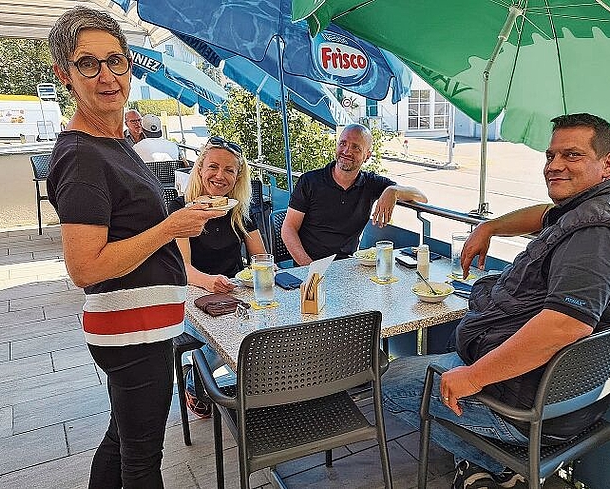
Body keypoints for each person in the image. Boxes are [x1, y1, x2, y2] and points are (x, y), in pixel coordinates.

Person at [382, 113, 610, 489]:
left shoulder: (596, 233)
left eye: (572, 156)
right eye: (550, 156)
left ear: (607, 163)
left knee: (391, 384)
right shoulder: (603, 207)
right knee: (441, 355)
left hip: (534, 403)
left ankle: (501, 466)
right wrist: (489, 227)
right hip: (567, 387)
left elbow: (565, 326)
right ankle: (486, 461)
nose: (555, 166)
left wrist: (474, 376)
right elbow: (545, 216)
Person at [47, 7, 223, 488]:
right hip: (131, 330)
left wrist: (178, 225)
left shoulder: (114, 141)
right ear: (65, 74)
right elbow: (85, 268)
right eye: (88, 63)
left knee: (122, 440)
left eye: (116, 61)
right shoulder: (83, 156)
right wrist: (170, 228)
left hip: (140, 325)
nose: (106, 75)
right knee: (143, 461)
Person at [168, 136, 267, 417]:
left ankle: (252, 388)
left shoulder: (239, 212)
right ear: (200, 169)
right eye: (213, 167)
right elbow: (183, 269)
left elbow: (261, 258)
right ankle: (193, 383)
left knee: (264, 330)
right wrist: (210, 281)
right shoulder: (180, 209)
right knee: (235, 336)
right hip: (190, 298)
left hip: (234, 296)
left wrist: (265, 272)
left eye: (229, 170)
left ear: (238, 177)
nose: (220, 175)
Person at [281, 123, 427, 265]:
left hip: (348, 266)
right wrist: (310, 268)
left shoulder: (371, 183)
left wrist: (393, 190)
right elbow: (288, 228)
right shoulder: (310, 181)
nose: (347, 151)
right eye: (343, 143)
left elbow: (421, 197)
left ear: (367, 155)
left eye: (356, 147)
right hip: (308, 265)